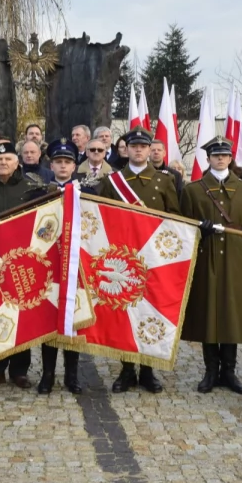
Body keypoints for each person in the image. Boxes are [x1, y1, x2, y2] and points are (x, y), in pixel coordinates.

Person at [180, 137, 242, 394]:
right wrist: (199, 232)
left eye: (224, 155)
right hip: (206, 256)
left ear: (231, 158)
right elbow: (183, 228)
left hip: (235, 259)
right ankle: (210, 370)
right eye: (215, 155)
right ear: (208, 158)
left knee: (231, 313)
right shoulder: (192, 190)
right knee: (208, 312)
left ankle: (229, 371)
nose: (220, 158)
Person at [98, 127, 180, 394]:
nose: (138, 150)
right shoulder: (112, 182)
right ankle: (126, 369)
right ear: (127, 149)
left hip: (154, 259)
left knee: (151, 311)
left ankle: (147, 370)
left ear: (149, 150)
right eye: (134, 146)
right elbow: (102, 218)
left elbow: (174, 219)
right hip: (123, 259)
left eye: (143, 146)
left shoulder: (164, 181)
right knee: (125, 312)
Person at [0, 140, 46, 390]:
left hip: (22, 260)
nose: (3, 163)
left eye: (8, 160)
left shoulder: (31, 185)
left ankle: (19, 370)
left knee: (21, 313)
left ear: (17, 163)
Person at [36, 140, 88, 395]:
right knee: (48, 317)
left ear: (74, 166)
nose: (63, 166)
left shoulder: (87, 193)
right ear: (51, 164)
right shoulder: (38, 192)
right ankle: (47, 375)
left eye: (67, 162)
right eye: (58, 162)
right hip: (48, 264)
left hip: (76, 264)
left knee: (74, 317)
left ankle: (72, 375)